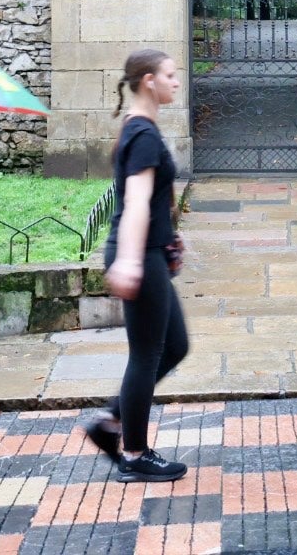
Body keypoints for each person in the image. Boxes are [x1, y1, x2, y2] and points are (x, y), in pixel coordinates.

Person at [79, 49, 191, 482]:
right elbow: (137, 203)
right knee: (146, 354)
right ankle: (135, 453)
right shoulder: (142, 133)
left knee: (175, 345)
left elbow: (152, 199)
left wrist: (168, 239)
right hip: (138, 254)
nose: (175, 82)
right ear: (149, 81)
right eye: (170, 75)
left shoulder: (141, 127)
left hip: (151, 252)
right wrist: (128, 260)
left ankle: (109, 425)